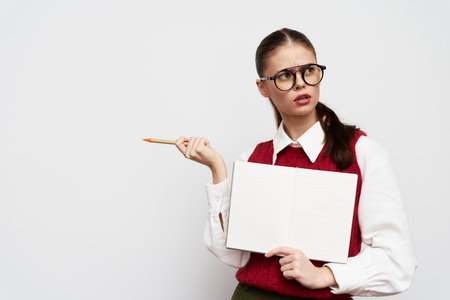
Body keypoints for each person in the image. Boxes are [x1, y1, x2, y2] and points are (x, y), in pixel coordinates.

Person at [175, 28, 417, 299]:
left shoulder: (363, 153)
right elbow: (234, 254)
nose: (301, 83)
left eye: (309, 71)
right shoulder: (253, 159)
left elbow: (398, 262)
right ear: (262, 87)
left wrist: (325, 275)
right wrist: (217, 170)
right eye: (285, 76)